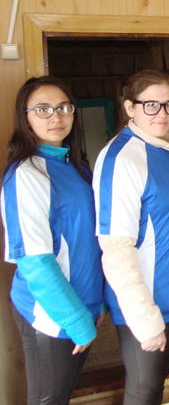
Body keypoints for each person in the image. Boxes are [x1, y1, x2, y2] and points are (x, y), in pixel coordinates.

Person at [93, 69, 169, 404]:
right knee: (143, 390)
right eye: (150, 105)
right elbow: (115, 247)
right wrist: (143, 318)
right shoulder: (123, 157)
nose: (162, 113)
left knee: (156, 386)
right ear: (129, 107)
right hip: (146, 302)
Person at [1, 76, 104, 404]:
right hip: (51, 311)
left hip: (81, 302)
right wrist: (76, 319)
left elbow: (87, 242)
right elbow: (35, 262)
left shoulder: (73, 165)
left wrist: (96, 302)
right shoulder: (27, 174)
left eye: (63, 108)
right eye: (43, 109)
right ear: (25, 117)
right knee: (49, 399)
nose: (56, 117)